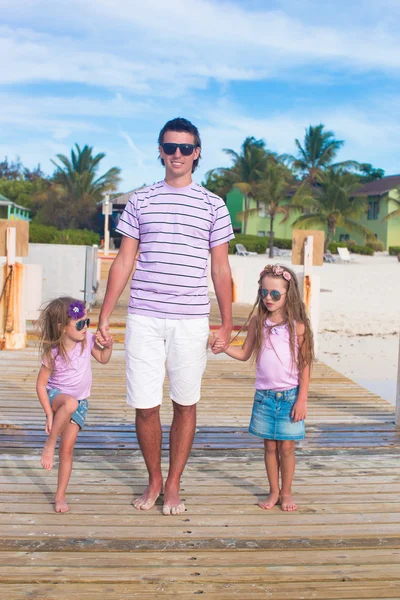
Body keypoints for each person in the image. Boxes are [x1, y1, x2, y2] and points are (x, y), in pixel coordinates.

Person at [98, 117, 234, 516]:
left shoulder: (214, 204)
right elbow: (125, 259)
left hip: (191, 320)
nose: (178, 155)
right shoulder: (140, 200)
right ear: (159, 151)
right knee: (144, 405)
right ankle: (154, 477)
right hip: (143, 316)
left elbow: (221, 269)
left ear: (197, 153)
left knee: (185, 402)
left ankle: (174, 482)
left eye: (186, 148)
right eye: (170, 147)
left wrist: (225, 323)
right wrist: (106, 316)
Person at [214, 264, 314, 511]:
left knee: (287, 447)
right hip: (264, 397)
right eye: (264, 293)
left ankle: (287, 493)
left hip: (290, 397)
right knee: (269, 446)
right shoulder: (259, 321)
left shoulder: (298, 326)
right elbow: (245, 353)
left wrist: (302, 400)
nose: (268, 298)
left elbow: (305, 366)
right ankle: (274, 491)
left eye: (275, 294)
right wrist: (224, 347)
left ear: (288, 293)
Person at [36, 297, 113, 513]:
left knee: (68, 450)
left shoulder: (87, 340)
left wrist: (108, 347)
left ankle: (60, 495)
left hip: (79, 403)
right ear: (61, 327)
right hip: (57, 397)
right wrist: (49, 415)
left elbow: (103, 359)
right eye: (80, 324)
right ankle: (49, 445)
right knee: (68, 402)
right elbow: (41, 386)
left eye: (87, 322)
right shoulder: (53, 353)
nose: (85, 327)